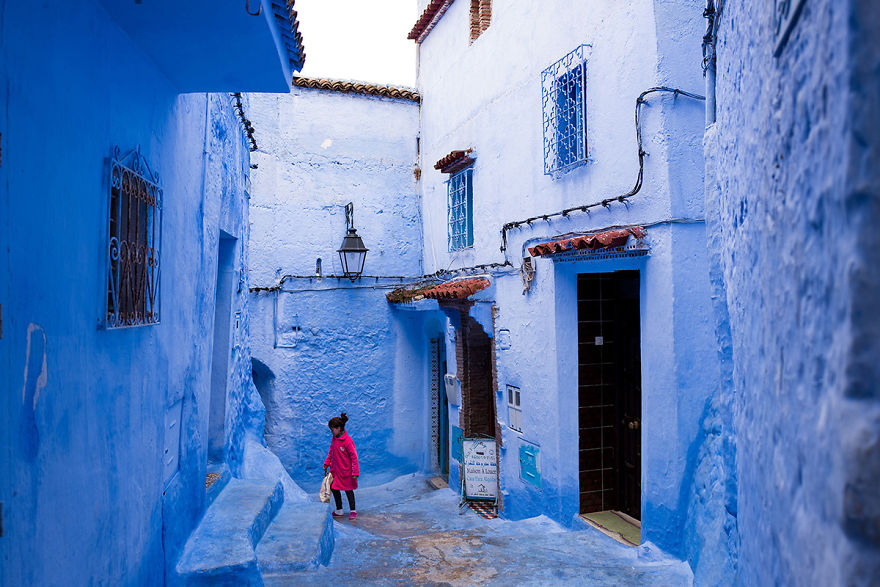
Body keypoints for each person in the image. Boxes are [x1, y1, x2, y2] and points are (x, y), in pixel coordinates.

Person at [323, 412, 359, 520]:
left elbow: (354, 457)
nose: (331, 431)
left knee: (348, 490)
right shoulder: (334, 438)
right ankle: (339, 510)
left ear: (339, 428)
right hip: (335, 471)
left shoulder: (347, 441)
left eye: (332, 429)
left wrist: (355, 472)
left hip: (346, 472)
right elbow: (331, 451)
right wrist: (326, 463)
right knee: (334, 488)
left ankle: (353, 510)